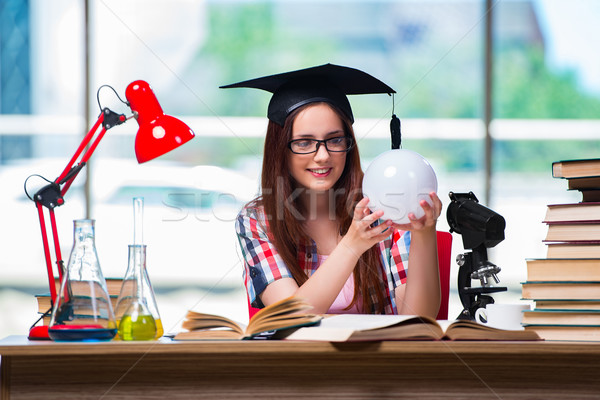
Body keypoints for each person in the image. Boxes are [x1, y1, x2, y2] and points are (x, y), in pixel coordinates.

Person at [223, 64, 442, 318]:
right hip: (300, 356)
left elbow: (420, 320)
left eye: (335, 139)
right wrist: (352, 245)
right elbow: (290, 318)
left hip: (377, 356)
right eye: (304, 143)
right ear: (279, 149)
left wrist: (425, 234)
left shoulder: (383, 205)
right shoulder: (258, 220)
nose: (323, 155)